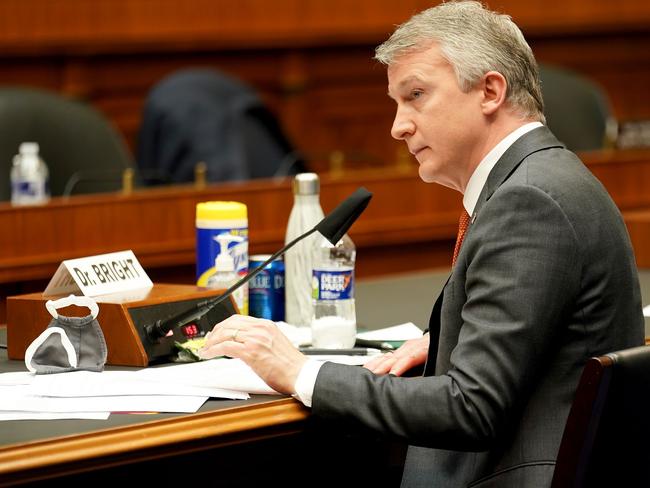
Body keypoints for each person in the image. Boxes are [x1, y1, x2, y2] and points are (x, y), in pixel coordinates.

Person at [199, 1, 644, 486]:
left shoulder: (529, 201)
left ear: (490, 91)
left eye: (416, 95)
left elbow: (471, 408)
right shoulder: (545, 178)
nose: (398, 125)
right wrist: (450, 344)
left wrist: (300, 372)